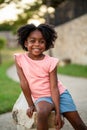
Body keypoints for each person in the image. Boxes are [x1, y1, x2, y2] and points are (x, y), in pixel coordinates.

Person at [14, 23, 87, 130]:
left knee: (79, 125)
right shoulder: (19, 59)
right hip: (42, 97)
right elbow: (23, 83)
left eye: (41, 41)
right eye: (32, 40)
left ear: (47, 44)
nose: (37, 44)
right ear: (26, 43)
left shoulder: (51, 62)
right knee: (42, 113)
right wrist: (30, 105)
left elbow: (54, 88)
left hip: (60, 94)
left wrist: (58, 113)